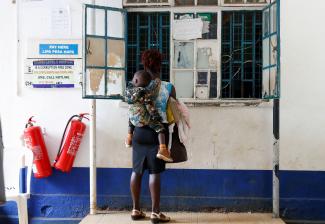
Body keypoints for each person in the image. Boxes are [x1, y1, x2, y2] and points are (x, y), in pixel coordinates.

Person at [129, 49, 176, 223]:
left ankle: (135, 210)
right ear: (160, 65)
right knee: (155, 172)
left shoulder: (136, 84)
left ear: (144, 64)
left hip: (139, 132)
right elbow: (173, 112)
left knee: (137, 171)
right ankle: (155, 213)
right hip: (159, 134)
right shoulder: (168, 87)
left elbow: (131, 109)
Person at [125, 70, 173, 162]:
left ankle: (129, 137)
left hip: (133, 119)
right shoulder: (145, 93)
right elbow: (149, 107)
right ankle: (163, 149)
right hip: (144, 119)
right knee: (160, 128)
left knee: (130, 119)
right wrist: (156, 116)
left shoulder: (128, 91)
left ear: (135, 81)